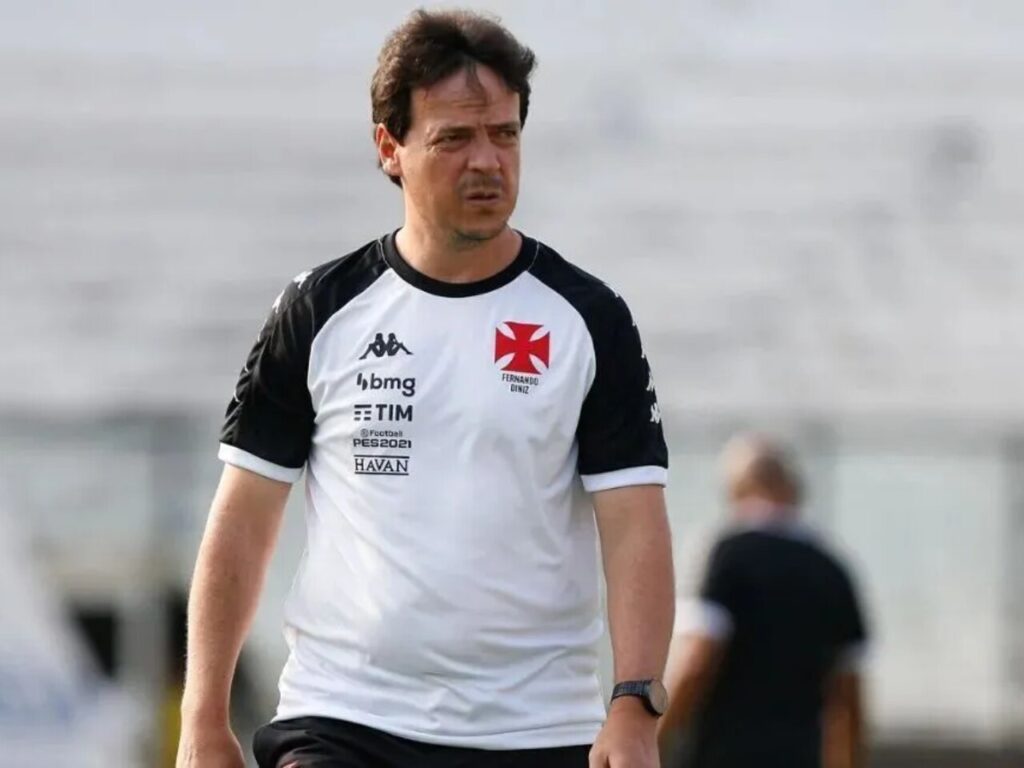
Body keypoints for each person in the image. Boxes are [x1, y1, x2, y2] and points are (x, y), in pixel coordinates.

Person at [176, 9, 674, 768]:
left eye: (505, 135)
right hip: (343, 719)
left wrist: (635, 705)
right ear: (391, 148)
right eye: (454, 138)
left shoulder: (588, 318)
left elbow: (636, 523)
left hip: (534, 731)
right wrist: (202, 716)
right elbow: (243, 519)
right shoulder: (318, 309)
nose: (487, 162)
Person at [658, 435, 868, 768]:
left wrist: (655, 737)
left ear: (736, 490)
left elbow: (697, 659)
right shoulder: (832, 568)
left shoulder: (727, 552)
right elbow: (848, 695)